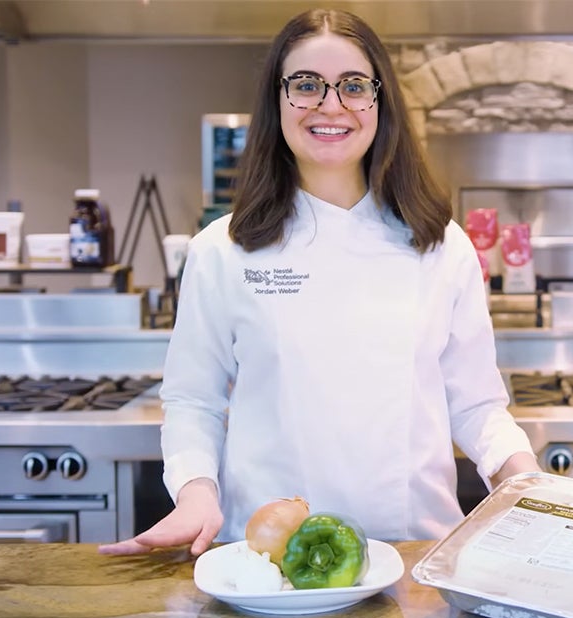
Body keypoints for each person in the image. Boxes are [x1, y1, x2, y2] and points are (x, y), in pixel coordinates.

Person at [99, 8, 539, 557]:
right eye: (306, 85)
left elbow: (475, 405)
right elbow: (193, 400)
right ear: (277, 100)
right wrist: (195, 493)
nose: (331, 105)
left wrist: (525, 480)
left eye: (353, 86)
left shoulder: (441, 245)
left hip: (413, 549)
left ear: (380, 101)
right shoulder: (222, 250)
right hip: (268, 561)